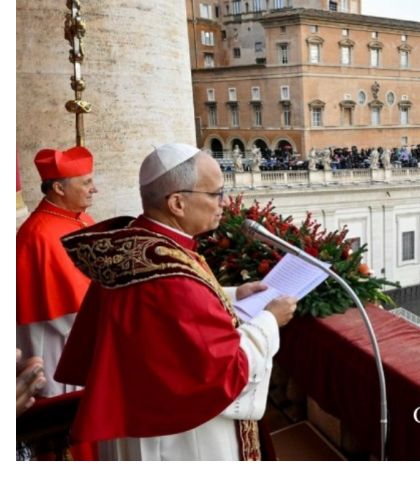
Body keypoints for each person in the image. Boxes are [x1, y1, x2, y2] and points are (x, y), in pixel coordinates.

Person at [55, 144, 299, 461]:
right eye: (215, 193)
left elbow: (170, 307)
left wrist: (234, 293)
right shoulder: (167, 271)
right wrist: (269, 320)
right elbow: (222, 372)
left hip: (141, 411)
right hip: (180, 437)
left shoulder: (141, 242)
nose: (223, 202)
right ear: (178, 203)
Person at [16, 146, 96, 397]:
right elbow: (63, 310)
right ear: (59, 189)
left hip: (87, 337)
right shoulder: (37, 234)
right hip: (60, 345)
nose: (94, 188)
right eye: (86, 183)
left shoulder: (82, 218)